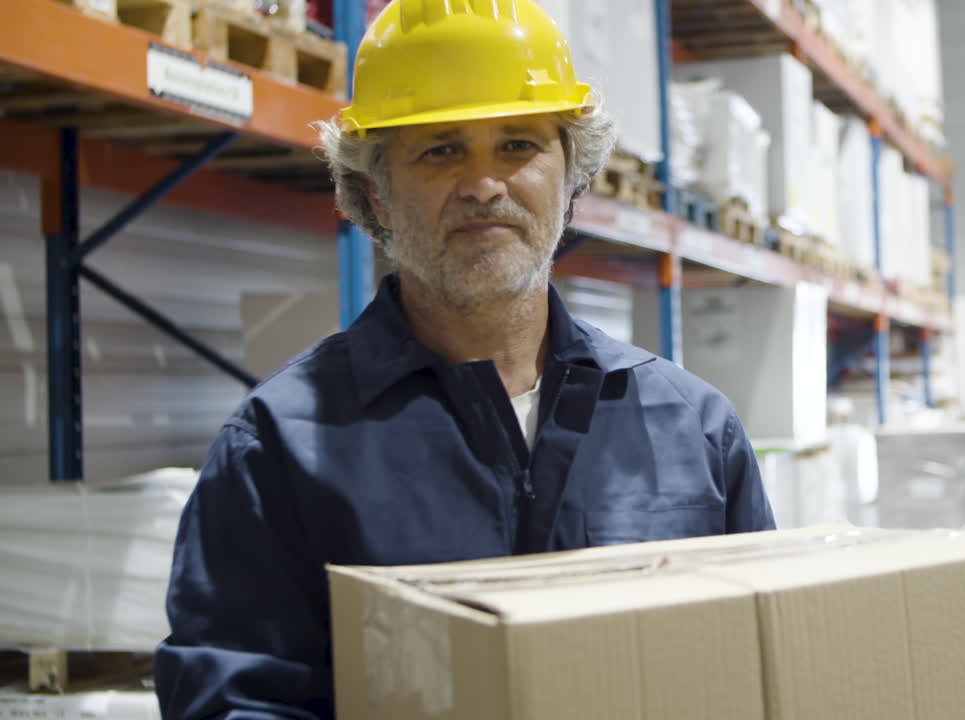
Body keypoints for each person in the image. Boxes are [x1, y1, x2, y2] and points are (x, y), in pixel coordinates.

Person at [154, 0, 775, 717]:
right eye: (441, 150)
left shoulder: (693, 429)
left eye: (518, 145)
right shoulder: (281, 446)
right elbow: (237, 700)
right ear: (374, 193)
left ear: (571, 176)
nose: (484, 184)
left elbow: (759, 670)